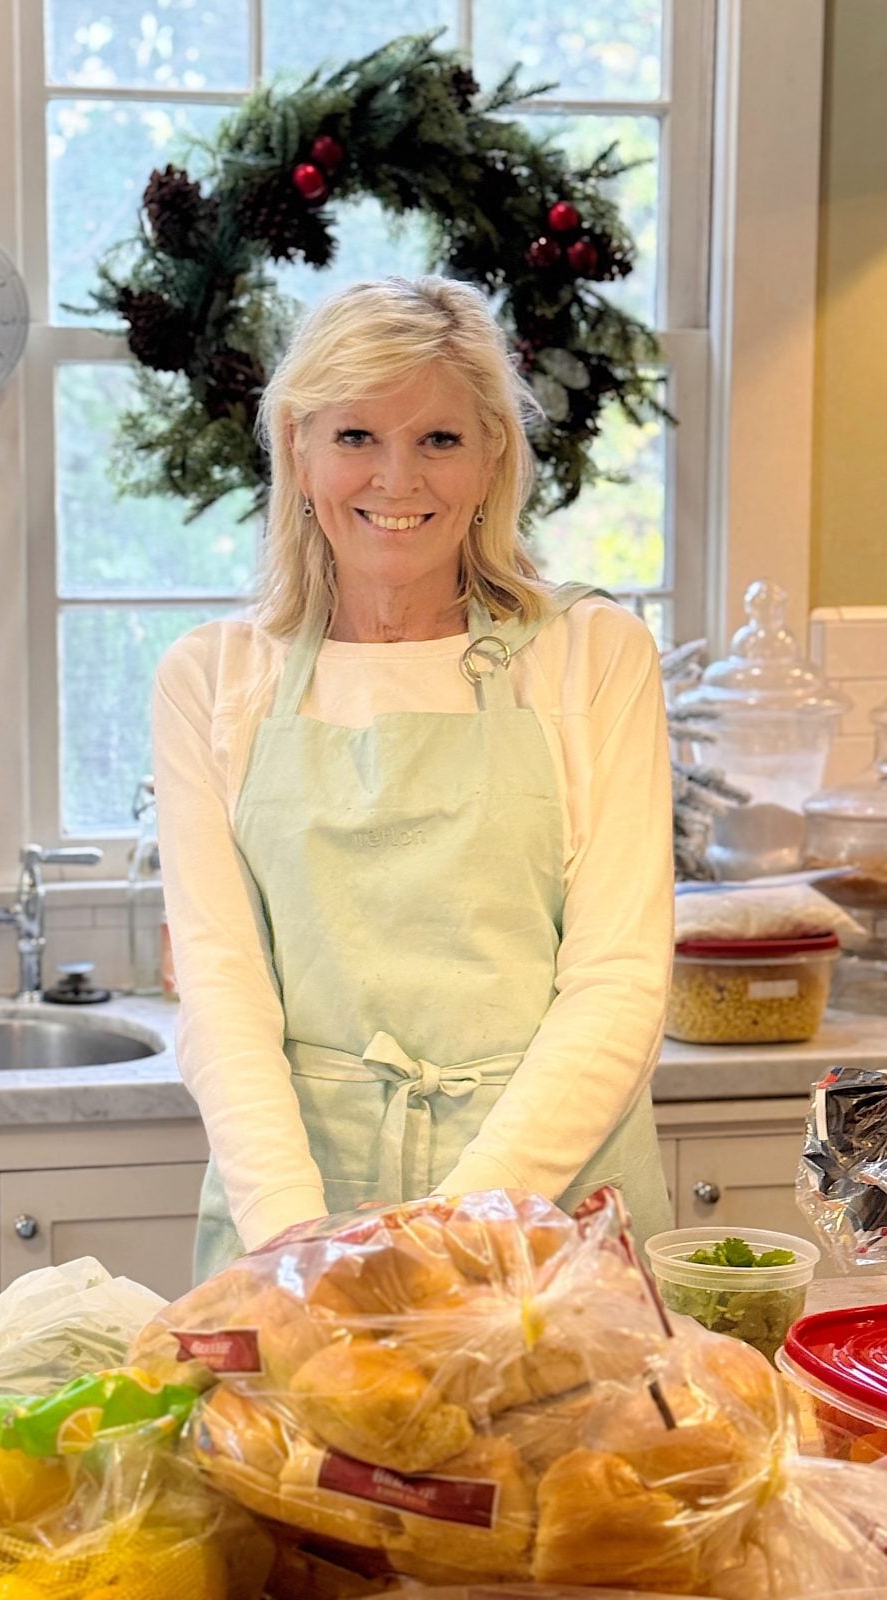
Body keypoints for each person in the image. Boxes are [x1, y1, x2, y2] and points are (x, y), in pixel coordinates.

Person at [152, 275, 674, 1283]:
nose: (398, 480)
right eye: (356, 437)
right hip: (294, 1220)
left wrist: (451, 1233)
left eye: (438, 439)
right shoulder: (213, 679)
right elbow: (223, 989)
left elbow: (618, 982)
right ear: (298, 451)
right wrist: (301, 1247)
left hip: (547, 1224)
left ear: (490, 461)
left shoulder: (592, 655)